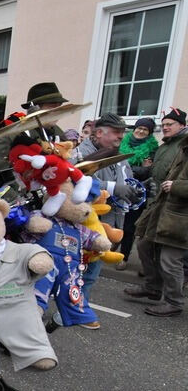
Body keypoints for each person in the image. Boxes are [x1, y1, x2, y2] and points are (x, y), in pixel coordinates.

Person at [69, 113, 136, 328]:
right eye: (116, 132)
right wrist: (116, 188)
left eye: (122, 132)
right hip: (87, 220)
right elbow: (79, 179)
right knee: (82, 269)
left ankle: (78, 305)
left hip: (110, 218)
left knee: (92, 270)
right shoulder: (82, 152)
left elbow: (126, 179)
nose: (120, 137)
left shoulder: (120, 154)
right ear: (99, 133)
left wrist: (138, 187)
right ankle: (77, 308)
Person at [125, 134, 188, 317]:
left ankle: (174, 302)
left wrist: (176, 186)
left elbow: (177, 183)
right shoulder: (182, 146)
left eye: (170, 124)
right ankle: (153, 287)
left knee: (170, 261)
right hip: (164, 209)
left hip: (181, 217)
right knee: (144, 244)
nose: (166, 127)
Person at [0, 82, 68, 201]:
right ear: (35, 109)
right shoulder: (13, 135)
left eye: (59, 106)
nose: (58, 111)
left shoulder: (59, 135)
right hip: (9, 213)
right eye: (51, 106)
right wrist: (15, 203)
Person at [116, 117, 159, 270]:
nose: (140, 131)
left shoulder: (153, 148)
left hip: (138, 193)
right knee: (115, 220)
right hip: (119, 189)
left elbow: (149, 172)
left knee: (129, 226)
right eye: (138, 128)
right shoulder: (122, 143)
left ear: (149, 133)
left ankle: (124, 257)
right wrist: (139, 169)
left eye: (145, 129)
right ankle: (110, 249)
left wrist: (133, 171)